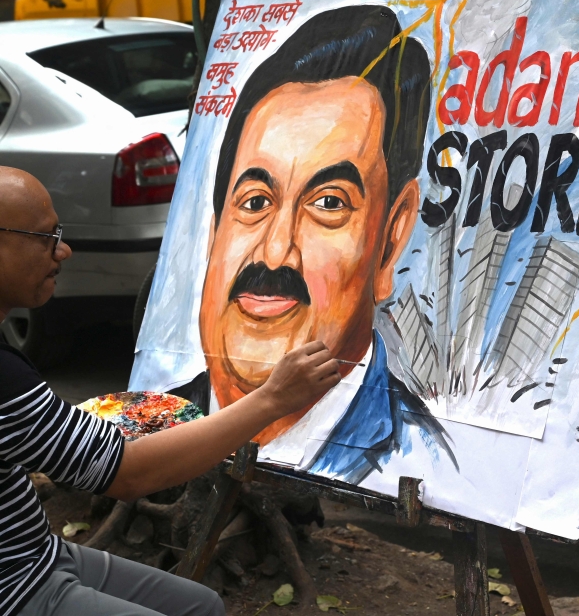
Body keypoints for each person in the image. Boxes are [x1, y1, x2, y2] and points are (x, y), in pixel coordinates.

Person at [0, 166, 342, 615]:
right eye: (45, 236)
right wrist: (272, 398)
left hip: (37, 554)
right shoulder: (6, 380)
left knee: (200, 605)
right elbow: (128, 474)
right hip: (15, 586)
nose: (63, 250)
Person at [170, 4, 455, 483]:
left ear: (391, 239)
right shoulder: (162, 422)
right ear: (215, 229)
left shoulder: (425, 462)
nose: (275, 252)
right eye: (256, 201)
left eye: (328, 203)